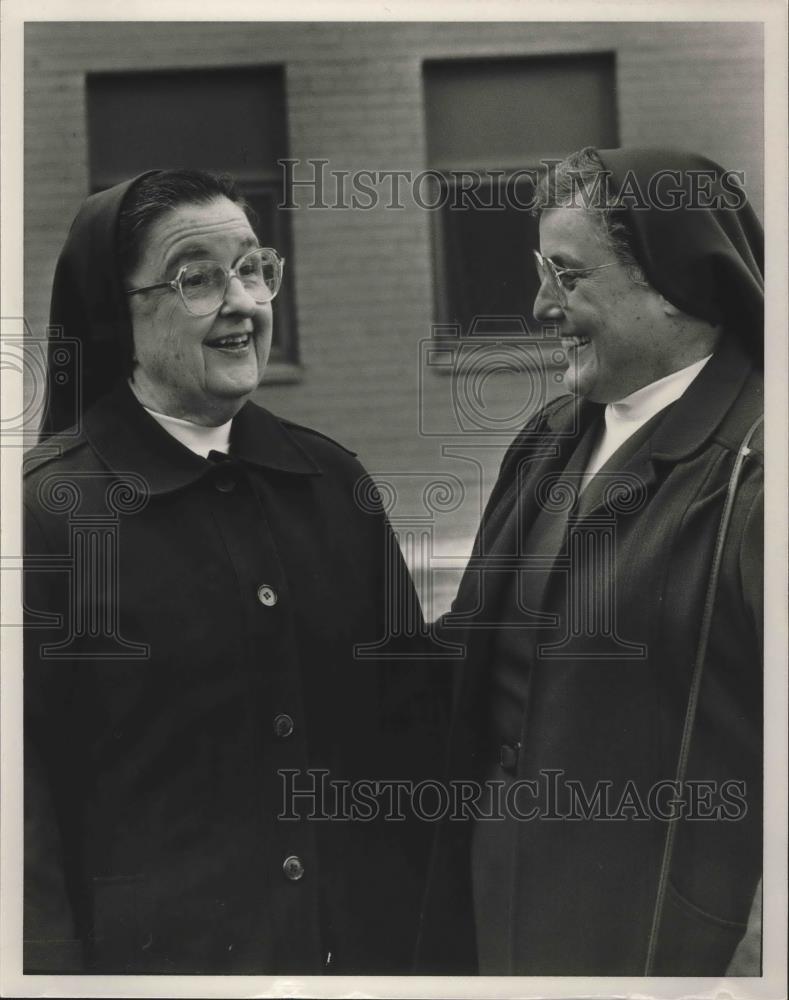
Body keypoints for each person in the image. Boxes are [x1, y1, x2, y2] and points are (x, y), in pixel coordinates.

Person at [23, 169, 438, 974]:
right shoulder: (48, 516)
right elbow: (22, 814)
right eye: (199, 278)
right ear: (120, 312)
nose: (242, 302)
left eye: (252, 269)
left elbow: (409, 734)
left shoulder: (332, 482)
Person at [418, 147, 763, 976]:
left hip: (655, 951)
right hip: (495, 922)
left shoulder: (755, 473)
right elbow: (468, 650)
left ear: (675, 284)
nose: (539, 304)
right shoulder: (547, 440)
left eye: (565, 275)